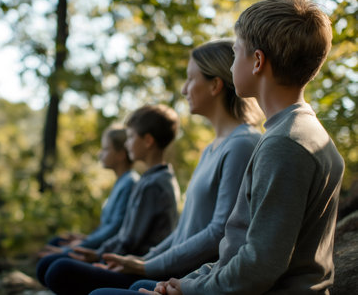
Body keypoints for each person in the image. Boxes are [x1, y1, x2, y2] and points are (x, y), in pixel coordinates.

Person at [110, 0, 344, 294]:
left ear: (257, 61)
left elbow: (258, 267)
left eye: (235, 53)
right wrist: (188, 283)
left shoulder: (285, 144)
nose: (231, 64)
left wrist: (188, 290)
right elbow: (242, 250)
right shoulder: (294, 131)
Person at [85, 39, 263, 295]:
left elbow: (218, 233)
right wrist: (145, 262)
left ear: (215, 85)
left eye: (191, 79)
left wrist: (147, 267)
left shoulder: (242, 145)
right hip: (177, 274)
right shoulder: (211, 149)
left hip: (197, 279)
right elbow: (183, 229)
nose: (183, 89)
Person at [37, 104, 181, 294]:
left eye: (130, 137)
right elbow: (125, 235)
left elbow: (129, 241)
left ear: (148, 141)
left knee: (58, 269)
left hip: (137, 268)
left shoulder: (153, 184)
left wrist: (99, 257)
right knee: (55, 265)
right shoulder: (153, 179)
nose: (127, 143)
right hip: (129, 261)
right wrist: (94, 252)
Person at [36, 126, 139, 259]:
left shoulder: (130, 183)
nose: (100, 153)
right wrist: (85, 238)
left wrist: (81, 245)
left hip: (109, 253)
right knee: (56, 241)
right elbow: (106, 227)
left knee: (53, 261)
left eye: (106, 149)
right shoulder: (121, 181)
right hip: (100, 244)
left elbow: (114, 229)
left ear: (121, 155)